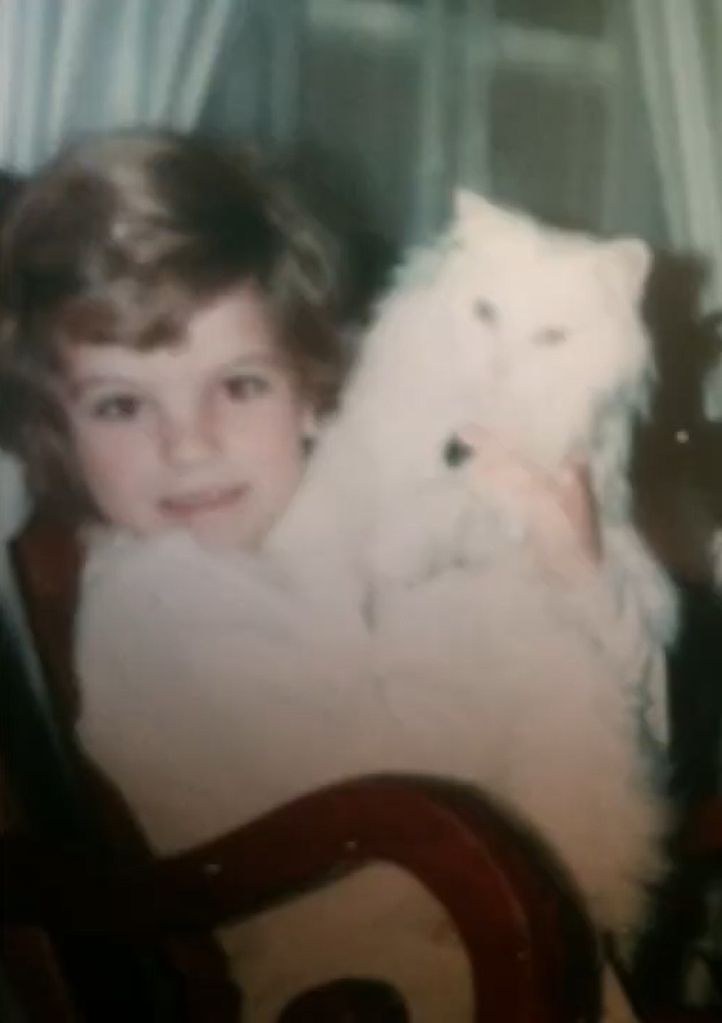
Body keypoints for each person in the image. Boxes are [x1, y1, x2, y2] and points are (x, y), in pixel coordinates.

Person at [0, 129, 606, 1021]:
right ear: (61, 428)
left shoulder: (316, 536)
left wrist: (566, 577)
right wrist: (549, 615)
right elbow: (411, 808)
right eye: (123, 405)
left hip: (484, 945)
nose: (189, 443)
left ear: (315, 389)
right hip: (373, 986)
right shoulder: (161, 601)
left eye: (238, 386)